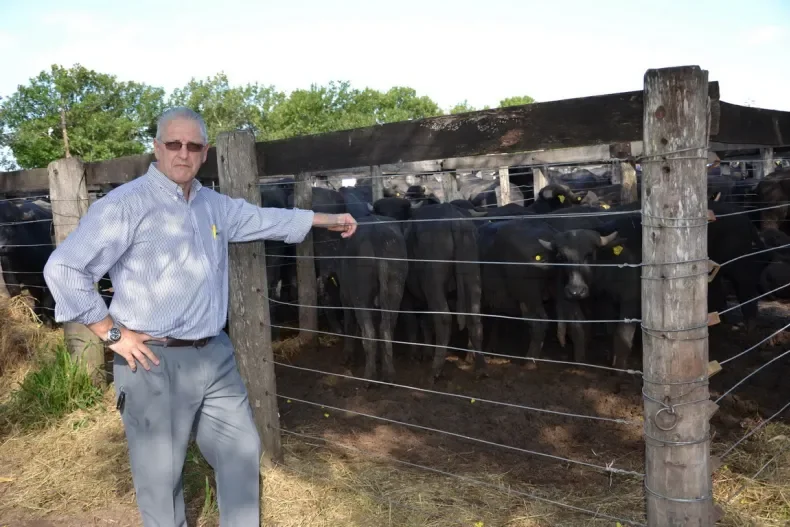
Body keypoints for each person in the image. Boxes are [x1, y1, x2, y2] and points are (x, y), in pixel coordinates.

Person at [42, 106, 357, 527]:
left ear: (205, 153)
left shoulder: (213, 205)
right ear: (157, 147)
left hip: (215, 354)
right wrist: (111, 333)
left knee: (241, 452)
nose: (183, 153)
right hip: (153, 360)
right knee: (161, 480)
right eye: (173, 144)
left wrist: (328, 219)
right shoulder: (125, 205)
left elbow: (262, 218)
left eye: (193, 146)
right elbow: (63, 268)